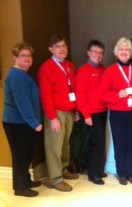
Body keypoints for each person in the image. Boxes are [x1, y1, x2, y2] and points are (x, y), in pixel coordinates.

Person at [99, 37, 132, 185]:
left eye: (127, 49)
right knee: (119, 143)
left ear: (131, 53)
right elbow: (102, 93)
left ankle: (131, 173)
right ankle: (121, 173)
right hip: (117, 113)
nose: (124, 52)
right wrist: (116, 95)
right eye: (121, 49)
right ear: (116, 52)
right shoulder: (110, 71)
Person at [38, 35, 79, 192]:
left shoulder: (69, 65)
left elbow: (72, 89)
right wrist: (53, 117)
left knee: (65, 144)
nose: (62, 49)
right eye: (57, 46)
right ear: (51, 49)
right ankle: (56, 179)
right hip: (55, 112)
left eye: (64, 46)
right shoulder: (46, 68)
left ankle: (63, 170)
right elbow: (45, 95)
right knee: (54, 146)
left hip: (69, 111)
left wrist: (75, 110)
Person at [2, 42, 43, 197]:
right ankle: (20, 187)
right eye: (23, 55)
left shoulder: (22, 75)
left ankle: (25, 180)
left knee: (25, 154)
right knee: (20, 155)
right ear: (15, 58)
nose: (27, 58)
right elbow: (22, 103)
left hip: (23, 122)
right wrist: (34, 122)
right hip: (17, 123)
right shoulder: (17, 76)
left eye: (29, 55)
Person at [76, 40, 107, 185]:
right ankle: (93, 174)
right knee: (97, 142)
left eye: (100, 52)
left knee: (100, 142)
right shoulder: (83, 71)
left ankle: (98, 170)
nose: (98, 55)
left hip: (103, 111)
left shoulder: (104, 69)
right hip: (91, 113)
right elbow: (80, 95)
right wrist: (86, 115)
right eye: (95, 52)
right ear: (89, 53)